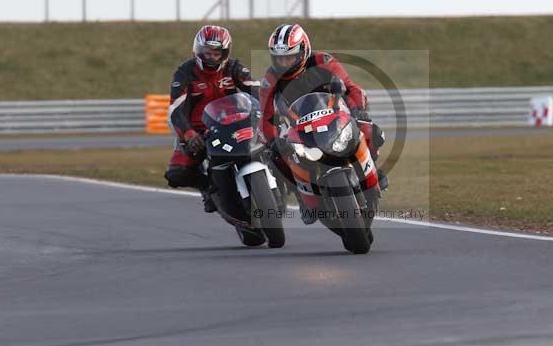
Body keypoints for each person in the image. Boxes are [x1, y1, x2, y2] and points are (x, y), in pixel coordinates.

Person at [259, 23, 387, 221]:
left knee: (369, 130)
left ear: (303, 50)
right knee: (275, 155)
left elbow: (351, 88)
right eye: (279, 58)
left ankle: (373, 171)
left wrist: (359, 111)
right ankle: (303, 198)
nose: (284, 62)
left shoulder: (323, 61)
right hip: (298, 126)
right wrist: (272, 140)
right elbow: (266, 117)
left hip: (334, 115)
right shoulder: (270, 78)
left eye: (289, 56)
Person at [164, 25, 259, 212]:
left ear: (225, 53)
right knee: (177, 174)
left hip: (236, 123)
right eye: (208, 53)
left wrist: (269, 111)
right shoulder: (185, 73)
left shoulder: (234, 67)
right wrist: (189, 134)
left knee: (275, 146)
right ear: (198, 51)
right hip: (201, 131)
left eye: (217, 53)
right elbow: (176, 109)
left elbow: (257, 90)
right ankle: (208, 187)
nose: (212, 58)